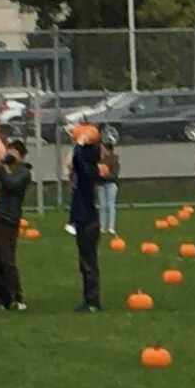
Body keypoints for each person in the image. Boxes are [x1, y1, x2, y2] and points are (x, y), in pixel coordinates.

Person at [0, 141, 32, 308]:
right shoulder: (3, 171)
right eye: (9, 151)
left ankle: (16, 295)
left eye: (14, 152)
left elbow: (11, 184)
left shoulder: (24, 173)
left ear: (21, 156)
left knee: (7, 259)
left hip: (9, 219)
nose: (9, 154)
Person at [69, 123, 104, 311]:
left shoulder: (89, 172)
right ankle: (88, 299)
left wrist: (80, 144)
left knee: (89, 262)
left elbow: (78, 160)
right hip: (83, 219)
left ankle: (92, 301)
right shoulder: (88, 170)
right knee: (85, 263)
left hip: (88, 221)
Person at [97, 129, 122, 236]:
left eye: (103, 148)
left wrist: (105, 175)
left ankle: (111, 227)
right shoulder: (98, 159)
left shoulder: (114, 159)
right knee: (102, 205)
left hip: (111, 184)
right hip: (101, 184)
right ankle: (103, 226)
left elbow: (115, 173)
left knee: (110, 205)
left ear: (108, 149)